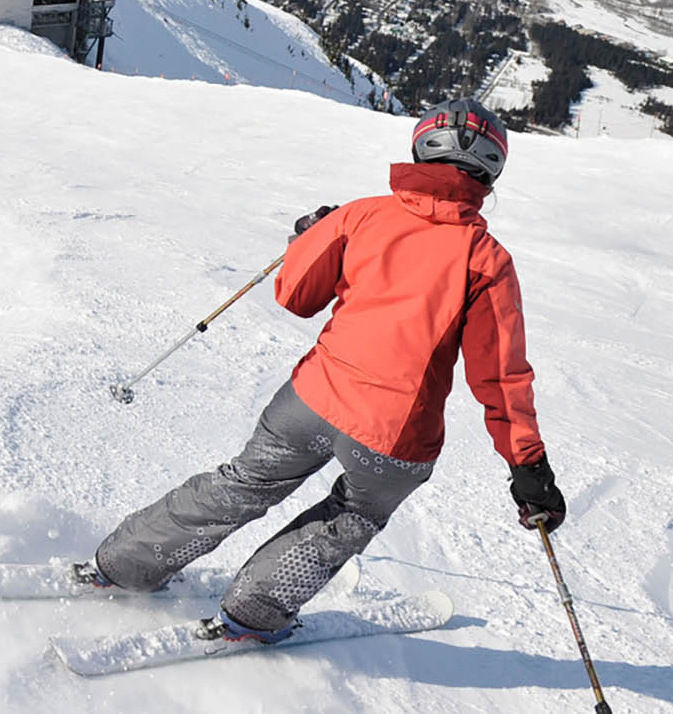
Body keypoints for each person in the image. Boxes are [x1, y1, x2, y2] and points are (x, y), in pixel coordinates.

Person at [85, 97, 566, 643]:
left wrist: (309, 239)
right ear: (490, 171)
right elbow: (498, 377)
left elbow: (294, 295)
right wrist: (528, 468)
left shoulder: (360, 215)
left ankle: (125, 564)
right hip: (394, 435)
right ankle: (253, 613)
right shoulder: (486, 260)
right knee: (353, 514)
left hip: (309, 400)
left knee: (244, 482)